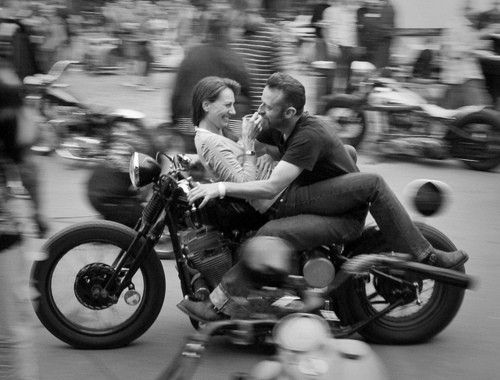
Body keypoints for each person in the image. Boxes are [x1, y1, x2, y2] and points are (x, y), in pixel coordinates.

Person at [177, 72, 469, 322]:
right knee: (266, 231)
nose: (259, 112)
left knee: (368, 184)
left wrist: (220, 187)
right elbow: (237, 151)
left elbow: (263, 185)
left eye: (267, 107)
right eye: (261, 103)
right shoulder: (278, 126)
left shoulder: (307, 135)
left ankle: (426, 256)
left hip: (324, 211)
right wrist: (207, 159)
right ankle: (270, 298)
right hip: (302, 196)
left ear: (289, 113)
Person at [0, 62, 39, 380]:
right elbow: (26, 160)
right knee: (11, 333)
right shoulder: (7, 84)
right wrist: (37, 213)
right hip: (4, 228)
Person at [168, 8, 251, 154]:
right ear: (225, 31)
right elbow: (247, 94)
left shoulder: (192, 55)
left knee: (192, 168)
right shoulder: (234, 59)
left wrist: (175, 120)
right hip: (223, 128)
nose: (239, 32)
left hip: (190, 124)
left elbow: (176, 93)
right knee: (224, 171)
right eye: (236, 28)